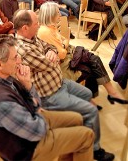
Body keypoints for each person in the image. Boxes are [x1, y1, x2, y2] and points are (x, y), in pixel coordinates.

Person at [13, 9, 115, 161]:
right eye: (36, 23)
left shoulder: (32, 37)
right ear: (25, 28)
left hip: (60, 83)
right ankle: (94, 149)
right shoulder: (23, 49)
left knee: (87, 94)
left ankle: (80, 128)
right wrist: (54, 55)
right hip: (50, 95)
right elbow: (49, 64)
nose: (39, 25)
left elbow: (51, 48)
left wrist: (52, 52)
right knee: (91, 111)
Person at [0, 34, 94, 161]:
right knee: (87, 136)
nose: (19, 61)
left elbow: (34, 103)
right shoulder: (1, 102)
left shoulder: (3, 78)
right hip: (26, 148)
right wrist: (37, 109)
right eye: (15, 57)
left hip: (31, 119)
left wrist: (27, 85)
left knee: (77, 119)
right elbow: (37, 131)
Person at [37, 2, 128, 104]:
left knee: (94, 60)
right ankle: (107, 94)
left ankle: (98, 96)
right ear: (50, 15)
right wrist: (64, 44)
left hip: (70, 54)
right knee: (94, 61)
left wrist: (64, 44)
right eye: (57, 13)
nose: (60, 15)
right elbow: (62, 53)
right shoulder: (45, 31)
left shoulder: (51, 28)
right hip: (64, 62)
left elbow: (65, 41)